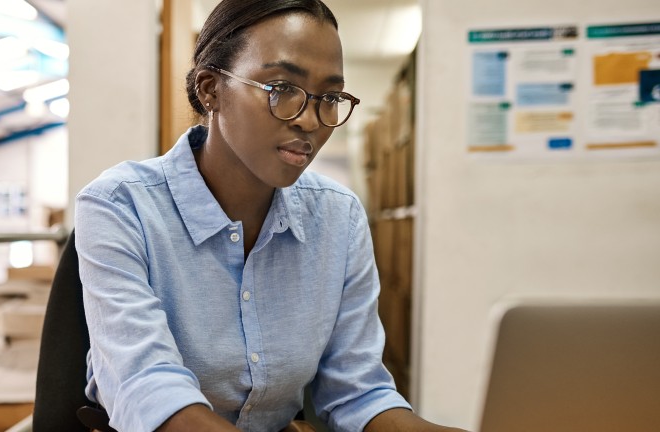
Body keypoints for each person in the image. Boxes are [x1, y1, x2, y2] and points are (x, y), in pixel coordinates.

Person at [73, 1, 466, 431]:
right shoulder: (120, 205)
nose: (312, 120)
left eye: (330, 97)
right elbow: (147, 388)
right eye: (282, 89)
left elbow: (358, 391)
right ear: (211, 90)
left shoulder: (338, 217)